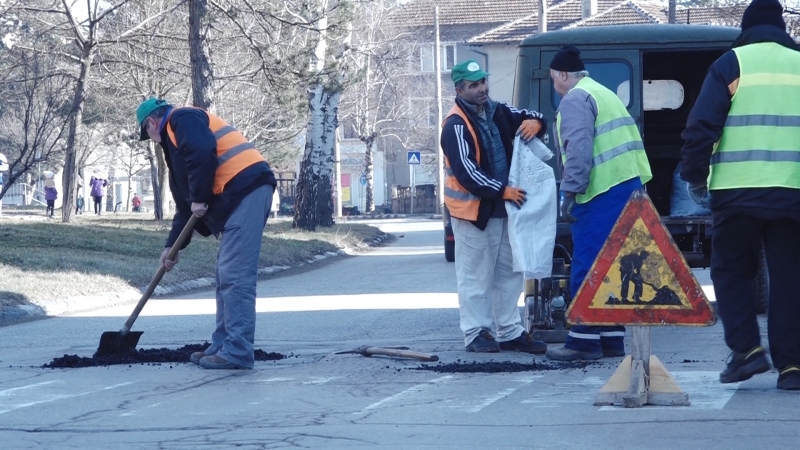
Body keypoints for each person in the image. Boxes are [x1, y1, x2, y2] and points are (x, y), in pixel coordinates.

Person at [680, 0, 800, 390]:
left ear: (746, 27)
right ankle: (792, 366)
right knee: (790, 278)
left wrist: (695, 176)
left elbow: (702, 126)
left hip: (736, 192)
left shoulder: (732, 64)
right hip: (793, 193)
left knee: (733, 272)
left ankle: (747, 351)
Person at [136, 97, 277, 370]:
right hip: (239, 194)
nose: (153, 141)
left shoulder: (182, 119)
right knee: (225, 273)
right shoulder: (177, 143)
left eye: (148, 135)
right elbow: (185, 205)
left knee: (234, 274)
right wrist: (172, 248)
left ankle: (237, 351)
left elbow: (202, 152)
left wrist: (199, 197)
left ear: (151, 122)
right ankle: (222, 345)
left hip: (247, 189)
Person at [545, 46, 652, 361]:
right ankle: (610, 338)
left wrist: (570, 192)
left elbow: (578, 147)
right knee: (614, 265)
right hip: (629, 185)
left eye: (553, 79)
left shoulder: (576, 99)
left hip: (601, 190)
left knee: (588, 262)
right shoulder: (603, 93)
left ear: (564, 75)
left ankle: (583, 340)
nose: (554, 86)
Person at [440, 59, 549, 354]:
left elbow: (530, 114)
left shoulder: (498, 110)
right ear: (460, 89)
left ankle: (509, 330)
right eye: (474, 85)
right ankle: (476, 332)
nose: (482, 89)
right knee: (476, 275)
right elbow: (466, 173)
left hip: (503, 209)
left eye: (483, 82)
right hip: (474, 214)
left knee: (508, 273)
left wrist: (535, 123)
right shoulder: (455, 125)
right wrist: (503, 191)